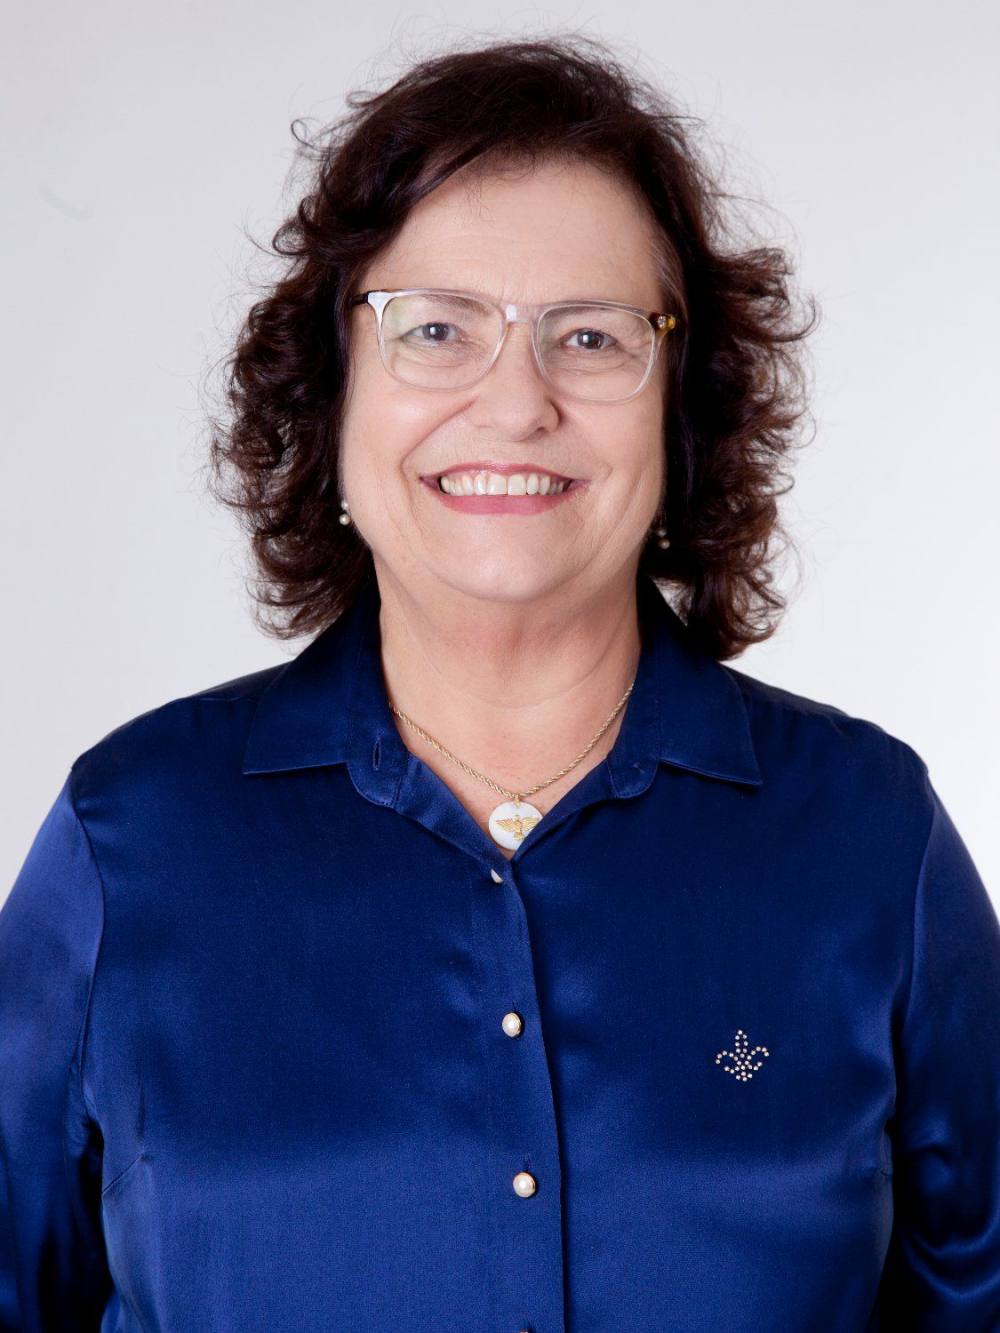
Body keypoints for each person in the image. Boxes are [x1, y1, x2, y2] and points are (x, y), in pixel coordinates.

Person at [1, 32, 998, 1333]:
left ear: (680, 409)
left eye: (590, 336)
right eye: (436, 330)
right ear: (333, 396)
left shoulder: (869, 837)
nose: (516, 403)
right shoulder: (130, 840)